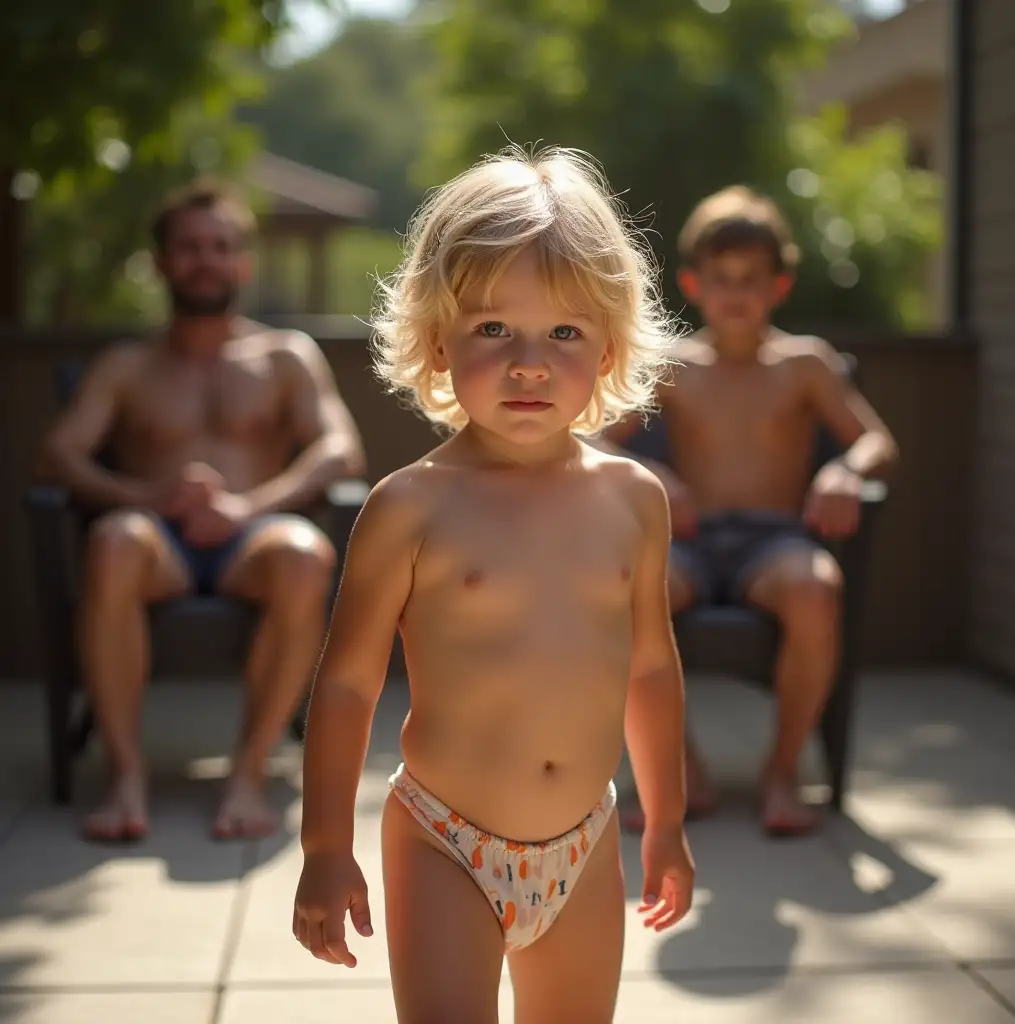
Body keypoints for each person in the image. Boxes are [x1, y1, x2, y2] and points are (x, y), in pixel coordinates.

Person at [292, 147, 696, 1024]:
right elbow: (349, 682)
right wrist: (325, 844)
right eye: (492, 330)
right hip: (446, 839)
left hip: (585, 844)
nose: (528, 363)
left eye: (563, 332)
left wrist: (665, 821)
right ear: (438, 339)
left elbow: (652, 670)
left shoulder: (634, 501)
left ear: (610, 346)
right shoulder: (410, 507)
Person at [39, 179, 366, 843]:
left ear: (243, 262)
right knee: (114, 542)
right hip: (159, 545)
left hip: (254, 540)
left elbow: (342, 449)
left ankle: (247, 774)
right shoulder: (127, 365)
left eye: (220, 247)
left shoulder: (285, 357)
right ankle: (124, 775)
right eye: (187, 248)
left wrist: (249, 504)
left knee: (307, 555)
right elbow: (58, 455)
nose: (205, 260)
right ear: (160, 262)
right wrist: (146, 498)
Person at [601, 185, 898, 837]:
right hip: (692, 541)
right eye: (721, 278)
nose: (736, 292)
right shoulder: (671, 367)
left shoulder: (805, 364)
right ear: (693, 283)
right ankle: (681, 769)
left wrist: (846, 470)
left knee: (818, 591)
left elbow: (877, 440)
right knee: (622, 592)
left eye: (752, 279)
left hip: (775, 543)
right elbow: (592, 442)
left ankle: (782, 771)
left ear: (779, 287)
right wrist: (649, 471)